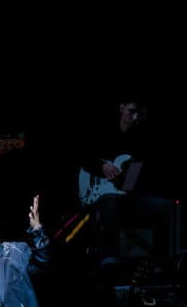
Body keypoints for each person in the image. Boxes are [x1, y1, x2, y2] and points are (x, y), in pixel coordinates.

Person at [75, 95, 176, 279]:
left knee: (166, 206)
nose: (135, 117)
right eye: (131, 111)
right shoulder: (103, 133)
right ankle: (110, 259)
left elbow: (139, 176)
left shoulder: (142, 141)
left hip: (129, 195)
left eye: (140, 114)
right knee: (110, 201)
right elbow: (82, 155)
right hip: (102, 194)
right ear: (121, 108)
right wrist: (102, 167)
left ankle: (159, 263)